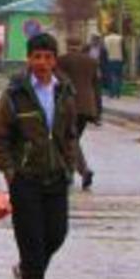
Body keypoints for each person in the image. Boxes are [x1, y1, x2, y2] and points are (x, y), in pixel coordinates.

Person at [0, 33, 77, 279]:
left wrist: (70, 165)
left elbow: (69, 134)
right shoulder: (15, 94)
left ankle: (26, 272)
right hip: (25, 180)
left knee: (57, 234)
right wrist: (10, 173)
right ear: (29, 59)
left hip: (56, 177)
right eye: (37, 56)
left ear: (55, 60)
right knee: (31, 242)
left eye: (48, 57)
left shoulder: (64, 91)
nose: (42, 62)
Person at [57, 36, 100, 190]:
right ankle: (72, 172)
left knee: (70, 139)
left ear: (67, 45)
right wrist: (97, 113)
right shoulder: (91, 62)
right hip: (87, 107)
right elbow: (96, 88)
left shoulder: (62, 60)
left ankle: (82, 171)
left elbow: (57, 82)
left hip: (69, 105)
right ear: (80, 45)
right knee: (72, 139)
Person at [103, 29, 124, 98]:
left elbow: (104, 50)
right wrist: (125, 59)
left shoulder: (106, 39)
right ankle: (118, 92)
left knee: (110, 76)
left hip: (109, 59)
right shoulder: (120, 38)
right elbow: (123, 49)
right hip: (119, 59)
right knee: (118, 76)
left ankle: (111, 93)